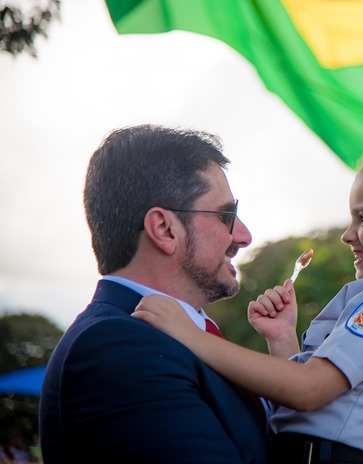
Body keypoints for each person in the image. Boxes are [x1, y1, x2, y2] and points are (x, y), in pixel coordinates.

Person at [133, 146, 363, 463]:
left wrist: (190, 335)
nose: (348, 235)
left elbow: (306, 390)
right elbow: (317, 402)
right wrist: (284, 340)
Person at [39, 125, 267, 463]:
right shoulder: (117, 347)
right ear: (164, 229)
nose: (244, 235)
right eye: (226, 216)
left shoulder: (170, 337)